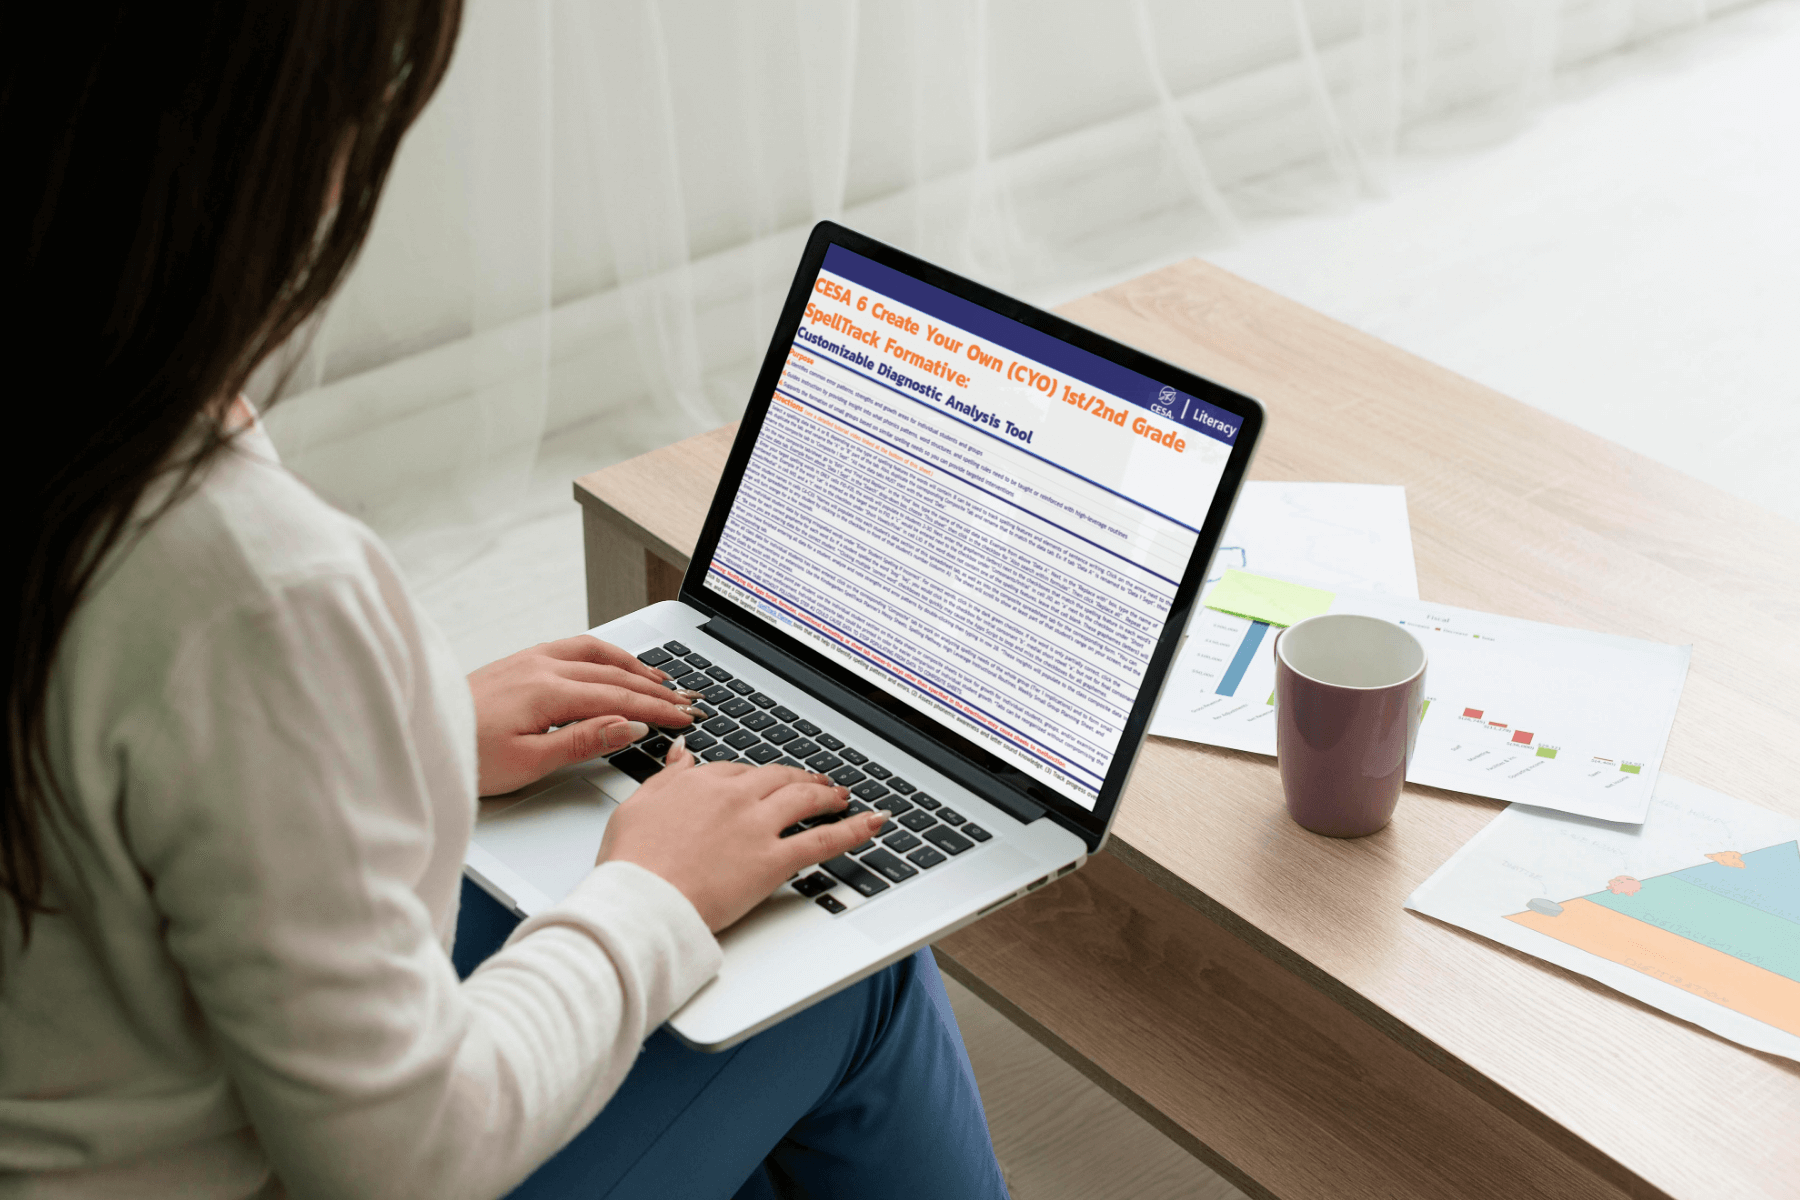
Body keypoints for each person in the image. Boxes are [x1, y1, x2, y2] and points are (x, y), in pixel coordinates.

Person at [0, 5, 1009, 1197]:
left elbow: (134, 763)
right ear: (277, 151)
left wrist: (394, 744)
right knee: (853, 968)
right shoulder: (251, 586)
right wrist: (654, 894)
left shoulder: (85, 448)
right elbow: (405, 1164)